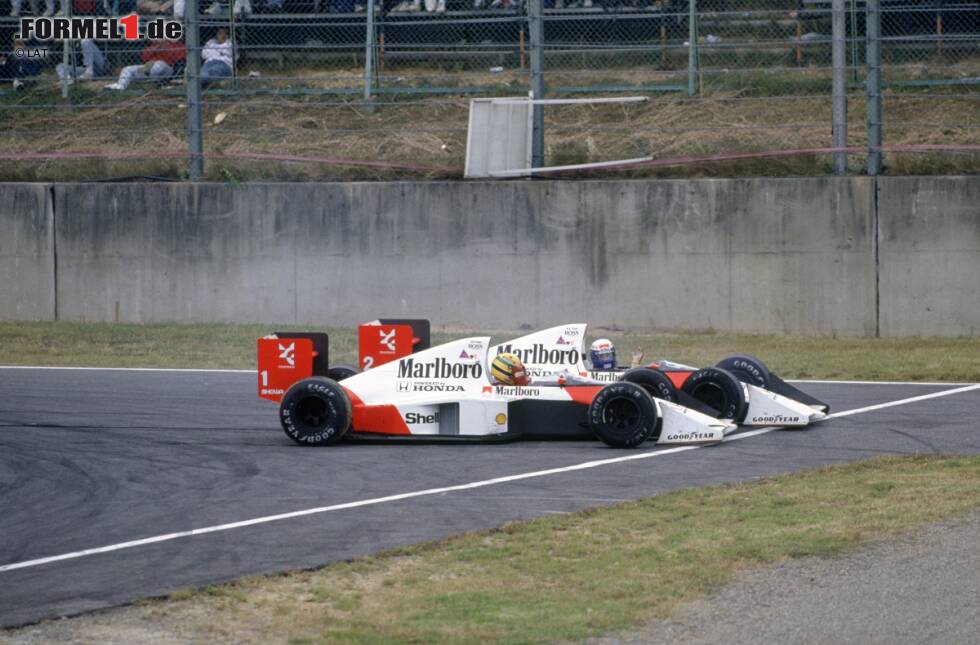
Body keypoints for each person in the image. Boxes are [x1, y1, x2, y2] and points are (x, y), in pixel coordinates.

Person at [105, 38, 185, 90]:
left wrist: (166, 46)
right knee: (127, 69)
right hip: (148, 68)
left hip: (167, 69)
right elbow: (144, 57)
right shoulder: (154, 45)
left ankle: (152, 84)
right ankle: (120, 86)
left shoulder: (176, 44)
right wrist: (158, 47)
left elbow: (178, 58)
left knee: (158, 65)